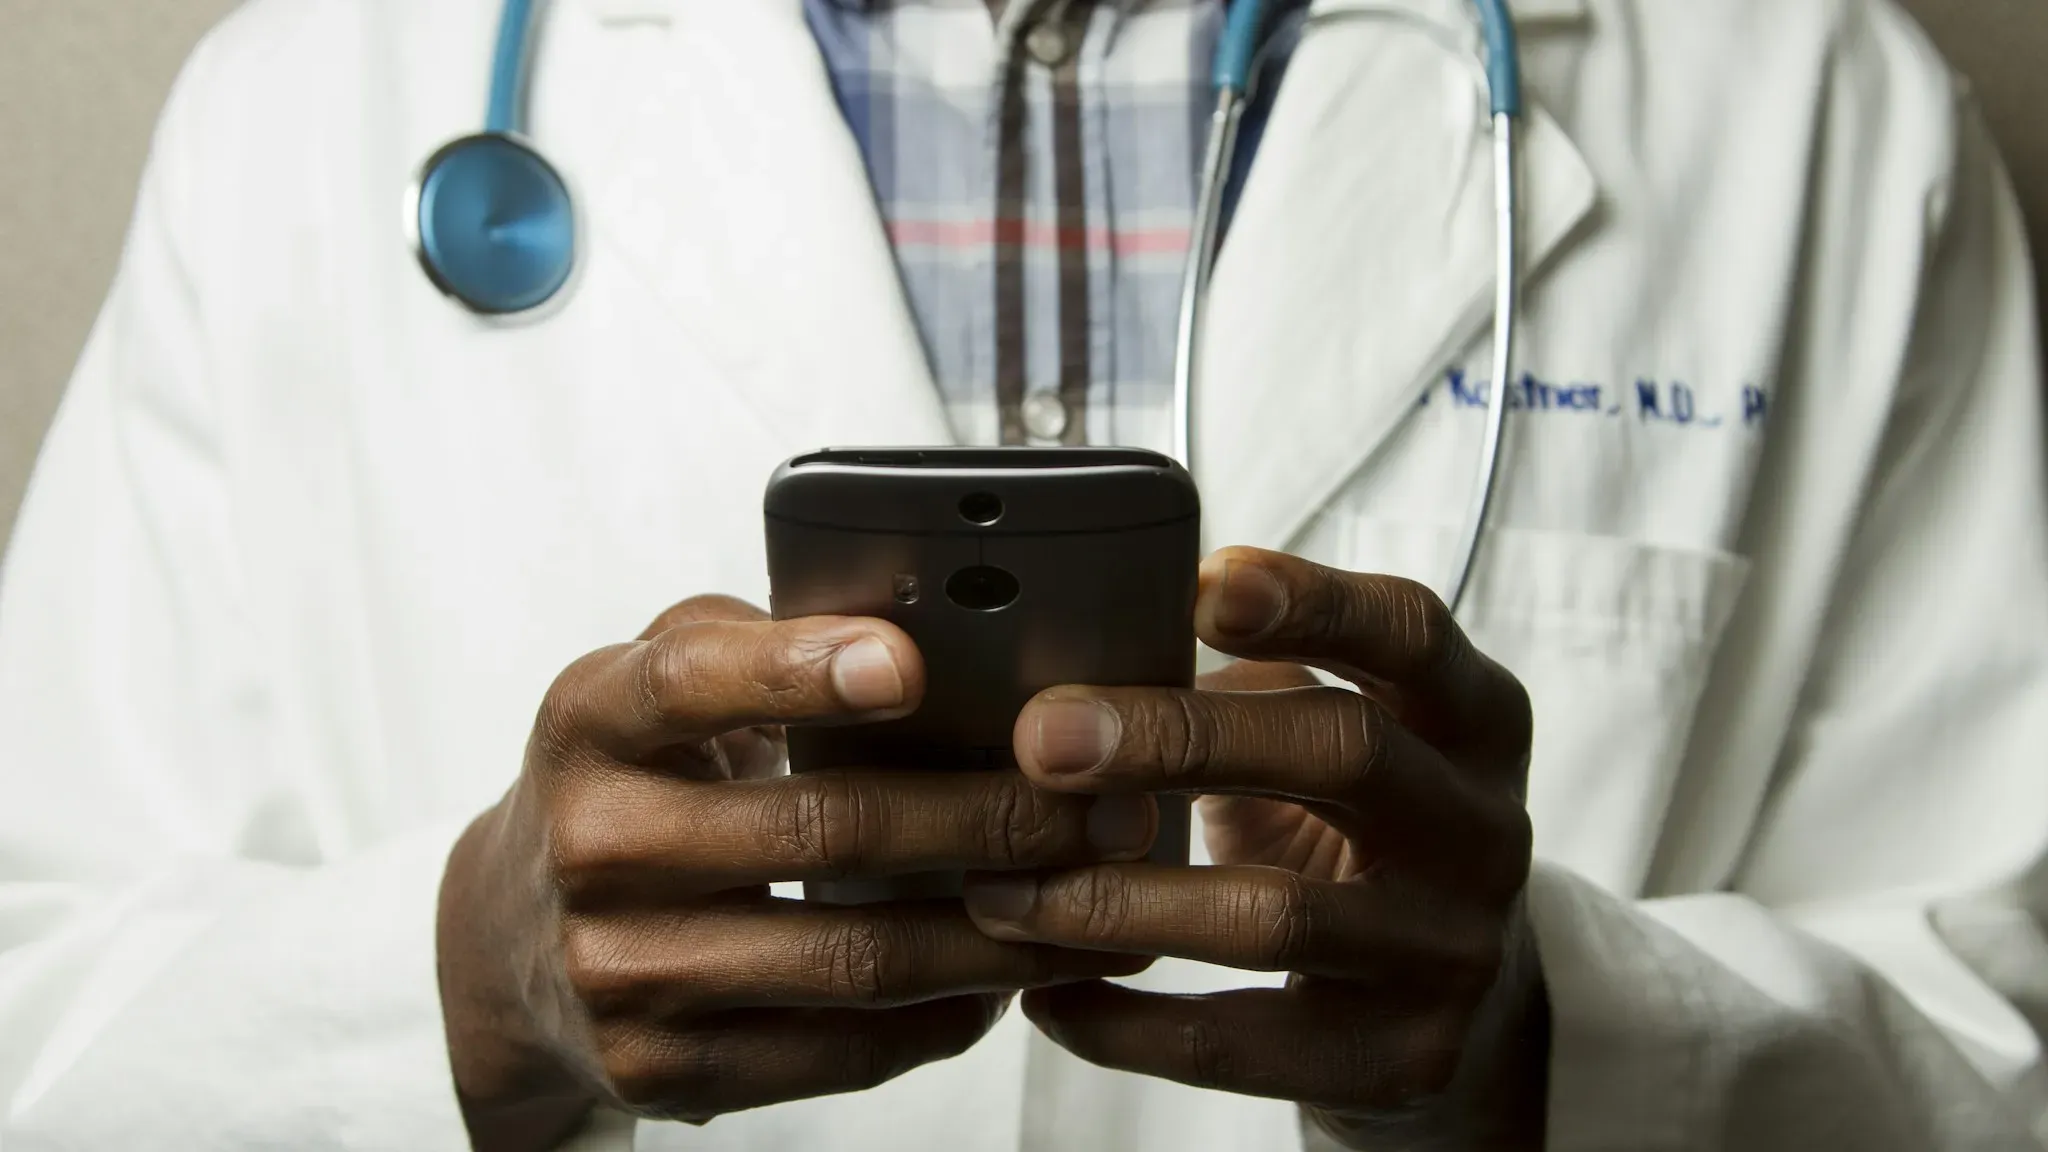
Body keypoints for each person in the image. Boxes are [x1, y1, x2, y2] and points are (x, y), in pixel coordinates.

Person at [1, 0, 2045, 1148]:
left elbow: (1996, 1038)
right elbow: (44, 1033)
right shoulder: (308, 110)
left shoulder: (1821, 110)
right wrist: (466, 979)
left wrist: (1547, 1044)